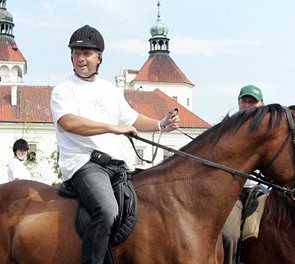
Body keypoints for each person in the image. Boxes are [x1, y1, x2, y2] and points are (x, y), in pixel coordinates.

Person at [50, 25, 180, 264]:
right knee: (107, 210)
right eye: (76, 52)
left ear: (99, 58)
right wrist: (111, 127)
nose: (81, 58)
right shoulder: (64, 89)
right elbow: (68, 122)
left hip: (117, 166)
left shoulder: (109, 90)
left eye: (87, 53)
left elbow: (131, 119)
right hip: (84, 164)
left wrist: (161, 125)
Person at [222, 84, 265, 264]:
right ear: (239, 104)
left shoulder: (269, 132)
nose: (247, 105)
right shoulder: (227, 131)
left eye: (252, 102)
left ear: (262, 105)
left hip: (262, 192)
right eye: (244, 101)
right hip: (235, 194)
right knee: (229, 235)